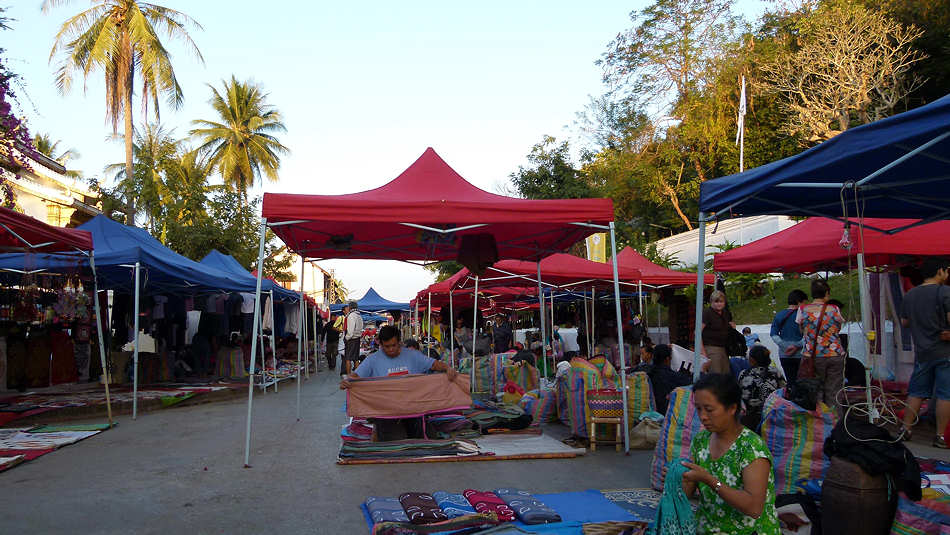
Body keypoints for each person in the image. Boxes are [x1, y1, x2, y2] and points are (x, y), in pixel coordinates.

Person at [682, 373, 781, 535]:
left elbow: (754, 508)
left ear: (732, 408)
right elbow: (687, 492)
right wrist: (681, 478)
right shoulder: (701, 440)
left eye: (709, 409)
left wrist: (709, 480)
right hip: (708, 528)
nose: (703, 417)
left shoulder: (751, 448)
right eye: (698, 409)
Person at [340, 325, 458, 440]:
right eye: (387, 346)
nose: (391, 349)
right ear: (380, 344)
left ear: (400, 342)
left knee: (428, 437)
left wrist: (448, 369)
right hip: (385, 413)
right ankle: (378, 428)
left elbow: (434, 364)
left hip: (414, 410)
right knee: (397, 440)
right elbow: (356, 376)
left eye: (394, 345)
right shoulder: (372, 360)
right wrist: (348, 381)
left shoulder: (413, 355)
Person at [899, 257, 950, 448]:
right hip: (944, 352)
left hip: (922, 351)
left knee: (917, 392)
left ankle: (906, 429)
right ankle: (939, 436)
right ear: (940, 271)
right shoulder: (945, 292)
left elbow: (905, 322)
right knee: (946, 395)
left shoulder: (910, 295)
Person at [794, 279, 846, 407]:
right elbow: (838, 328)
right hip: (835, 354)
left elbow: (801, 330)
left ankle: (818, 421)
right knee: (834, 391)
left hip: (812, 356)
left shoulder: (803, 309)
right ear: (827, 293)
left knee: (814, 390)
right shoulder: (834, 308)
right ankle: (835, 420)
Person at [738, 346, 785, 430]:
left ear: (752, 360)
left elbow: (739, 393)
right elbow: (784, 390)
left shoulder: (744, 373)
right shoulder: (775, 372)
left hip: (750, 416)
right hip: (772, 413)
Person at [771, 290, 807, 382]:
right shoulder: (804, 315)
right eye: (804, 302)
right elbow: (808, 336)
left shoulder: (779, 315)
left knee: (790, 381)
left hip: (784, 355)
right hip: (801, 354)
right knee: (803, 383)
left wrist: (785, 346)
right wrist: (796, 346)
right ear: (799, 302)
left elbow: (774, 335)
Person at [648, 344, 693, 414]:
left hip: (652, 411)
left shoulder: (649, 371)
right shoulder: (670, 376)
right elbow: (692, 382)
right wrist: (702, 370)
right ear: (667, 359)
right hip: (666, 413)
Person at [701, 290, 736, 375]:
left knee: (726, 375)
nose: (719, 304)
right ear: (711, 302)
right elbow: (697, 332)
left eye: (721, 301)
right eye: (716, 301)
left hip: (724, 348)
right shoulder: (707, 313)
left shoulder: (725, 313)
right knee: (716, 375)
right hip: (711, 348)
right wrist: (703, 352)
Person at [343, 301, 364, 376]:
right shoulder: (359, 316)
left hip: (351, 339)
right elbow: (361, 328)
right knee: (356, 358)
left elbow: (350, 331)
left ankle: (349, 376)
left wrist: (346, 338)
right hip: (357, 338)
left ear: (350, 307)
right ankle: (357, 376)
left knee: (348, 359)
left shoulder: (351, 316)